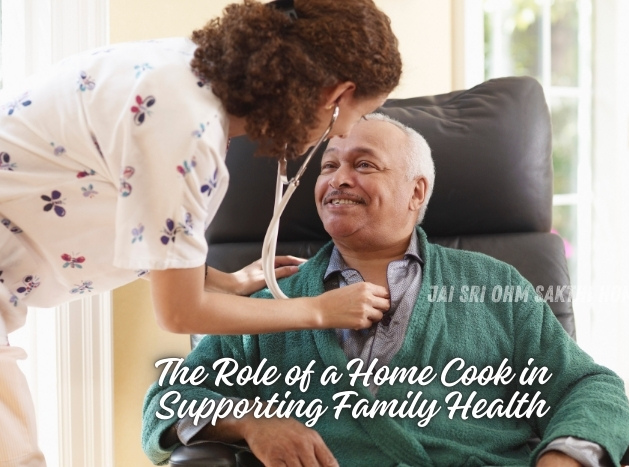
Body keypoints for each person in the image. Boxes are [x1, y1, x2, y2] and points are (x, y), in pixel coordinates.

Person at [0, 1, 401, 465]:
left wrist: (224, 283)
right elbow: (180, 313)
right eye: (358, 114)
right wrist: (317, 311)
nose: (345, 133)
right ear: (335, 94)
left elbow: (142, 227)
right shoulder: (187, 129)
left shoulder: (182, 73)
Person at [141, 115, 629, 467]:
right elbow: (165, 400)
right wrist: (250, 422)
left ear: (416, 192)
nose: (337, 179)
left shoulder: (492, 285)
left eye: (364, 165)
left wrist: (564, 456)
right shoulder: (270, 303)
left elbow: (589, 386)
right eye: (329, 166)